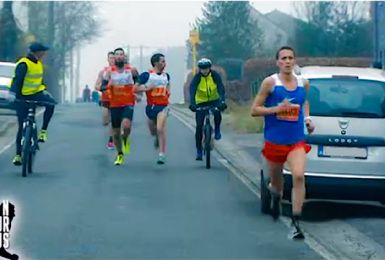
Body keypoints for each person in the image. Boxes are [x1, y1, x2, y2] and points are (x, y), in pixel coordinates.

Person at [250, 46, 315, 240]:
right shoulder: (270, 83)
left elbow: (304, 102)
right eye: (284, 58)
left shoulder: (304, 83)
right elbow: (255, 110)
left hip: (296, 141)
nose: (287, 61)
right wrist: (277, 109)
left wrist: (307, 120)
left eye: (291, 58)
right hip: (275, 141)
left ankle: (296, 222)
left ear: (295, 61)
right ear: (277, 62)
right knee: (276, 184)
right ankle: (276, 198)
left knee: (298, 176)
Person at [8, 42, 56, 166]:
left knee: (51, 105)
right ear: (37, 52)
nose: (44, 54)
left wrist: (45, 91)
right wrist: (13, 94)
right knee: (21, 125)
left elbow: (39, 81)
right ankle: (18, 155)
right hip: (21, 95)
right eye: (43, 51)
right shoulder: (24, 63)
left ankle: (43, 132)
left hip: (35, 93)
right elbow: (17, 80)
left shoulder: (39, 64)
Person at [100, 48, 139, 165]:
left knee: (126, 125)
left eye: (121, 54)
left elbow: (139, 80)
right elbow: (103, 86)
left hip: (128, 102)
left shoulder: (131, 70)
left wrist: (137, 90)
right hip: (115, 104)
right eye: (117, 55)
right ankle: (120, 154)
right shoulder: (109, 72)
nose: (119, 57)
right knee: (116, 133)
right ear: (114, 57)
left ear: (124, 57)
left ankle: (126, 139)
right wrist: (107, 86)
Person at [188, 58, 227, 160]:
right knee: (199, 127)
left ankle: (217, 129)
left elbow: (220, 88)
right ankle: (199, 150)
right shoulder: (197, 78)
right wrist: (192, 103)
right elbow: (192, 90)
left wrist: (222, 100)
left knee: (217, 113)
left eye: (206, 68)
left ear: (210, 68)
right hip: (201, 102)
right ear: (199, 69)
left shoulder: (214, 75)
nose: (204, 70)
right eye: (202, 68)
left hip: (214, 100)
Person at [136, 53, 170, 164]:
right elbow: (134, 88)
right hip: (151, 107)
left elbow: (168, 85)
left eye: (164, 61)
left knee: (160, 128)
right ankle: (157, 137)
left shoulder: (166, 75)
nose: (164, 64)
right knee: (153, 131)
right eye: (162, 61)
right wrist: (146, 88)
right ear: (156, 63)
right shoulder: (146, 75)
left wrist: (168, 92)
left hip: (163, 106)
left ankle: (162, 155)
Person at [95, 51, 115, 149]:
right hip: (105, 99)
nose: (112, 60)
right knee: (105, 121)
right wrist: (103, 87)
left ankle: (111, 139)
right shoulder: (103, 72)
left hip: (117, 100)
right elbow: (96, 85)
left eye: (113, 57)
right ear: (107, 59)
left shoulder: (121, 71)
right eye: (110, 58)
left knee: (114, 121)